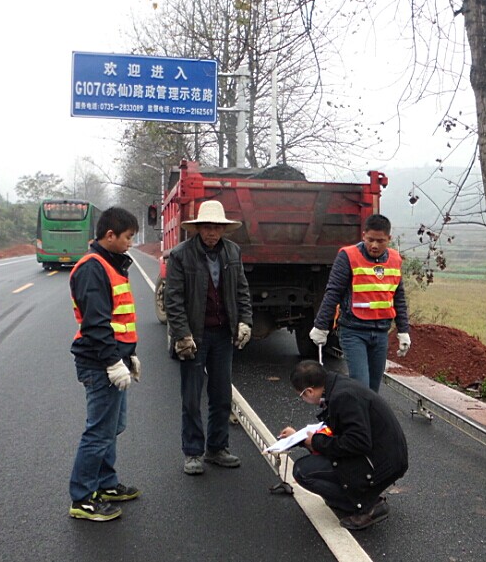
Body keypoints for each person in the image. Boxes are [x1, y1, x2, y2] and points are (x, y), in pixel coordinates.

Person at [165, 200, 253, 475]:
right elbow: (173, 299)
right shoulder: (181, 255)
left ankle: (217, 448)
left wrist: (245, 321)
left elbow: (242, 290)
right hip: (194, 336)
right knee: (191, 397)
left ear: (223, 229)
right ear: (198, 228)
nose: (212, 232)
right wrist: (182, 334)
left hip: (223, 334)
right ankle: (193, 452)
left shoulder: (232, 252)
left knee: (221, 395)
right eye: (206, 227)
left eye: (216, 227)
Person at [68, 206, 141, 522]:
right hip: (99, 363)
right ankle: (83, 498)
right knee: (99, 432)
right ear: (110, 235)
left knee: (114, 426)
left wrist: (129, 354)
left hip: (113, 357)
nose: (130, 244)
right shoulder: (93, 269)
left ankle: (106, 484)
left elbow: (118, 319)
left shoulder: (111, 264)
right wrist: (113, 362)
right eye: (127, 237)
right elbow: (96, 324)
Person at [279, 360, 408, 531]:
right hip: (384, 455)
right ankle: (357, 496)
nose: (303, 399)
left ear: (309, 391)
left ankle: (367, 504)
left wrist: (315, 441)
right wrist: (300, 438)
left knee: (303, 471)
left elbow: (358, 442)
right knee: (321, 458)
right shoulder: (338, 386)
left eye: (301, 395)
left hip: (380, 463)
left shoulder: (343, 397)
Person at [309, 213, 410, 392]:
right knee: (360, 386)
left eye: (380, 241)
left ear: (389, 239)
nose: (374, 245)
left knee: (373, 389)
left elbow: (398, 297)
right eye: (370, 240)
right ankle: (356, 411)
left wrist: (403, 331)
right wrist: (321, 326)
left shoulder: (394, 260)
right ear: (363, 235)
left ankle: (365, 412)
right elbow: (333, 292)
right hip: (353, 331)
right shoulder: (348, 256)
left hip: (380, 333)